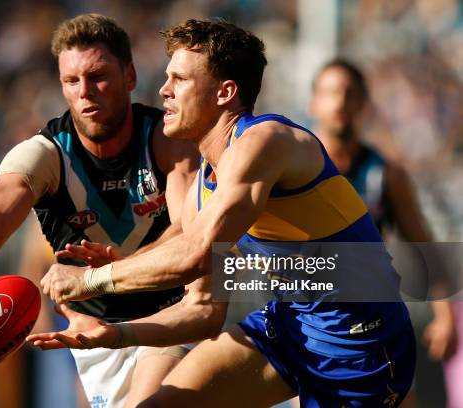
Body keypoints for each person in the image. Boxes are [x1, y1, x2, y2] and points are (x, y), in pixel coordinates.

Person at [31, 19, 416, 407]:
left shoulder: (264, 142)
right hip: (291, 325)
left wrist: (92, 280)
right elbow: (202, 309)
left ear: (224, 92)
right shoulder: (205, 182)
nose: (164, 90)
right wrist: (115, 334)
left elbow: (196, 253)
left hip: (361, 343)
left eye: (179, 79)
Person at [0, 13, 200, 408]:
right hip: (92, 331)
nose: (85, 92)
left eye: (98, 76)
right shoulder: (45, 154)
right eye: (72, 81)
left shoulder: (166, 140)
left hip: (168, 317)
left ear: (130, 76)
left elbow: (192, 232)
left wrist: (116, 270)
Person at [310, 59, 458, 407]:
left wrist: (446, 314)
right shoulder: (291, 170)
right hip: (311, 320)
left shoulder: (383, 176)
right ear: (314, 102)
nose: (340, 102)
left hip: (374, 320)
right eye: (331, 92)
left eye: (349, 93)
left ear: (363, 103)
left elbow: (424, 246)